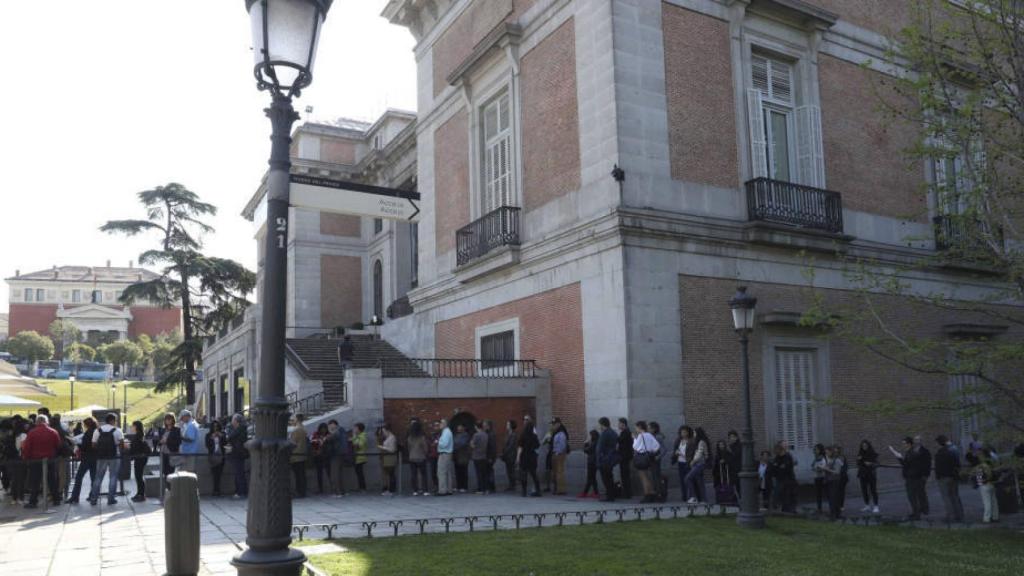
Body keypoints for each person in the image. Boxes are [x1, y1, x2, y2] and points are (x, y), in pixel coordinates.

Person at [21, 414, 62, 509]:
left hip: (35, 460)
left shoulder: (32, 432)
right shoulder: (53, 432)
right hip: (50, 459)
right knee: (52, 480)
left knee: (35, 481)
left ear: (37, 422)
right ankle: (56, 499)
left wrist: (26, 458)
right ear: (47, 421)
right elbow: (58, 445)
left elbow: (27, 447)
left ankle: (33, 501)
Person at [889, 435, 931, 520]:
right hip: (913, 476)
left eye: (904, 443)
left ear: (909, 444)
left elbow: (907, 465)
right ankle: (918, 512)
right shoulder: (911, 452)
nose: (903, 445)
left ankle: (916, 514)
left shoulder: (911, 452)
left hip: (912, 477)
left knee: (912, 496)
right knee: (915, 495)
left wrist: (899, 457)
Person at [89, 413, 124, 506]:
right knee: (113, 477)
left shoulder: (97, 430)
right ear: (112, 420)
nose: (116, 422)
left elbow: (93, 445)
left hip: (101, 457)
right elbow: (122, 445)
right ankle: (111, 499)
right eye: (115, 420)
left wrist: (101, 449)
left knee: (98, 477)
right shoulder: (117, 430)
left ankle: (93, 499)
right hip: (114, 456)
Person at [67, 417, 98, 504]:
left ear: (86, 425)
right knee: (93, 478)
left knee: (79, 477)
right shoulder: (96, 431)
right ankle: (93, 496)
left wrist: (76, 443)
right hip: (95, 457)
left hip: (87, 458)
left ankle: (75, 497)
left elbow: (85, 446)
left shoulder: (88, 433)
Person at [934, 435, 964, 523]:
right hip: (954, 476)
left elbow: (938, 466)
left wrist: (938, 476)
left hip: (944, 476)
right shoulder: (954, 450)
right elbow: (958, 464)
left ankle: (951, 516)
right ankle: (959, 515)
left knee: (946, 497)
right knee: (955, 496)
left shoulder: (941, 452)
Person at [632, 421, 660, 503]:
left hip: (641, 457)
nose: (636, 429)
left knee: (643, 477)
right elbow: (657, 446)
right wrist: (650, 451)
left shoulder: (641, 435)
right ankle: (652, 493)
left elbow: (635, 447)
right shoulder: (649, 435)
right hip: (648, 457)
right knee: (648, 476)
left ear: (639, 427)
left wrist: (634, 438)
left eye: (636, 427)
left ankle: (647, 494)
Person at [596, 417, 620, 502]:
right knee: (609, 477)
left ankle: (610, 495)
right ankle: (611, 494)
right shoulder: (613, 432)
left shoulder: (605, 433)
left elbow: (600, 447)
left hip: (605, 459)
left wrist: (599, 458)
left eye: (599, 424)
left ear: (602, 424)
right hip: (611, 458)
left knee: (606, 478)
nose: (599, 426)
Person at [517, 415, 541, 497]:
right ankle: (538, 490)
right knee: (534, 474)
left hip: (524, 456)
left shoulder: (523, 435)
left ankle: (524, 492)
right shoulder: (534, 436)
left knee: (524, 474)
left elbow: (520, 447)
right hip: (532, 456)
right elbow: (537, 445)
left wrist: (518, 457)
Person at [974, 448, 1000, 523]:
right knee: (994, 501)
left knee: (987, 502)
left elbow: (979, 477)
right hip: (992, 483)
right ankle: (995, 516)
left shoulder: (980, 465)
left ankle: (986, 518)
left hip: (984, 484)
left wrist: (979, 483)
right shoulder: (991, 463)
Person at [684, 427, 710, 504]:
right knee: (700, 482)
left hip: (699, 464)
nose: (694, 434)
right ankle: (704, 500)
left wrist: (693, 461)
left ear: (698, 433)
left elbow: (699, 453)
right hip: (698, 464)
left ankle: (693, 497)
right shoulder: (698, 441)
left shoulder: (701, 442)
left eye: (695, 433)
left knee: (687, 478)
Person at [770, 442, 797, 513]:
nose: (774, 451)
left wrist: (778, 467)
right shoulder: (777, 458)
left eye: (776, 450)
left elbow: (785, 468)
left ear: (780, 449)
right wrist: (777, 467)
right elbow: (774, 468)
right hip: (780, 479)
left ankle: (789, 509)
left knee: (788, 494)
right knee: (778, 494)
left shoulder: (787, 457)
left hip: (788, 479)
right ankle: (782, 508)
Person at [818, 445, 843, 520]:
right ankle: (834, 513)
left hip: (835, 481)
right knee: (831, 498)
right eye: (826, 453)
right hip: (829, 480)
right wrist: (821, 468)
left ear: (831, 452)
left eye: (828, 452)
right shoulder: (829, 460)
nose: (827, 454)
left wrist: (826, 469)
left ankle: (835, 514)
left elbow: (837, 472)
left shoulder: (837, 460)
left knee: (833, 498)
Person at [226, 414, 249, 498]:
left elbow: (231, 436)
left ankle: (241, 492)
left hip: (239, 453)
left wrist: (230, 430)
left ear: (236, 421)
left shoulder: (241, 429)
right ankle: (239, 491)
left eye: (233, 420)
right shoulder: (236, 429)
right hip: (235, 453)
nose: (232, 422)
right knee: (237, 473)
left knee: (239, 473)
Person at [325, 420, 349, 497]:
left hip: (336, 454)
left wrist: (329, 432)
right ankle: (342, 491)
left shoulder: (337, 431)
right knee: (340, 473)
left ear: (333, 424)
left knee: (334, 474)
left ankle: (337, 492)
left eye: (330, 425)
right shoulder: (342, 430)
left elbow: (329, 438)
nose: (329, 427)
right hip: (342, 454)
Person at [128, 420, 150, 502]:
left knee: (139, 476)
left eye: (133, 426)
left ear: (136, 427)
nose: (132, 427)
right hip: (140, 458)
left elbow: (136, 447)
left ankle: (141, 494)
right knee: (138, 477)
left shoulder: (139, 435)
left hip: (140, 458)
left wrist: (129, 447)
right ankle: (139, 493)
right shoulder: (139, 435)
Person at [856, 440, 880, 513]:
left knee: (873, 490)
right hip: (862, 474)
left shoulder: (872, 453)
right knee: (864, 490)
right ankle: (867, 505)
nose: (864, 447)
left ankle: (876, 506)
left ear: (868, 446)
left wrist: (871, 463)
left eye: (865, 445)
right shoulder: (860, 453)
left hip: (871, 474)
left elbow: (877, 463)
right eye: (863, 446)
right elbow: (858, 463)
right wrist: (859, 460)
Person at [406, 420, 429, 495]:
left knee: (413, 474)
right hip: (421, 457)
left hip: (412, 457)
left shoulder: (409, 438)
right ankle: (425, 490)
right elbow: (425, 448)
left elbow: (408, 448)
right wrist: (425, 453)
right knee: (423, 474)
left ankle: (415, 490)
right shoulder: (422, 438)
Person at [289, 414, 309, 498]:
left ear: (297, 419)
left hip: (296, 455)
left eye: (293, 419)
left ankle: (299, 491)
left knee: (298, 475)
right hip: (302, 454)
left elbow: (292, 443)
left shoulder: (296, 430)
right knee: (301, 474)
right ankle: (302, 491)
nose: (291, 421)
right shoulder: (304, 428)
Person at [712, 440, 737, 505]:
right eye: (720, 445)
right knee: (720, 490)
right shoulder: (717, 455)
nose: (721, 446)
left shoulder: (728, 453)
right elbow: (715, 466)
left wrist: (725, 461)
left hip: (727, 474)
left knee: (729, 489)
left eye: (722, 445)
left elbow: (732, 462)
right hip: (719, 476)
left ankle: (730, 502)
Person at [205, 420, 226, 497]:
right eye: (214, 426)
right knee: (214, 473)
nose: (215, 428)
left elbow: (226, 442)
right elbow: (207, 445)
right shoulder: (208, 435)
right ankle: (215, 490)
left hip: (221, 455)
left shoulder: (222, 434)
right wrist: (211, 438)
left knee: (219, 473)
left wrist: (221, 436)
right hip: (212, 455)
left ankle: (218, 490)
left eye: (217, 426)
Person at [671, 425, 692, 502]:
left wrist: (681, 454)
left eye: (685, 432)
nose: (683, 434)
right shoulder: (678, 440)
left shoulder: (691, 441)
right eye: (682, 432)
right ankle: (684, 496)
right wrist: (675, 454)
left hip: (688, 463)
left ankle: (690, 496)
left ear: (688, 432)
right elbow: (675, 450)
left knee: (688, 479)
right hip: (680, 463)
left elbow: (690, 455)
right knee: (682, 480)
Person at [310, 423, 331, 495]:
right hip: (318, 456)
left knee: (329, 472)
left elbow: (330, 444)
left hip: (326, 456)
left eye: (325, 429)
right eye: (322, 429)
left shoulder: (328, 435)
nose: (323, 430)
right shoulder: (315, 434)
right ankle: (320, 488)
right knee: (319, 473)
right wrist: (317, 441)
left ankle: (332, 487)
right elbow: (311, 441)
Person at [378, 422, 398, 496]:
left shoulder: (392, 438)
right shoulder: (388, 438)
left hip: (390, 457)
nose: (383, 433)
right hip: (386, 457)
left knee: (390, 474)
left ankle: (391, 489)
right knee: (388, 474)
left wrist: (383, 447)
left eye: (384, 431)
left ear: (388, 430)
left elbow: (392, 449)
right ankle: (388, 489)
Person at [470, 421, 491, 494]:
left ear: (476, 427)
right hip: (484, 456)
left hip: (477, 456)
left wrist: (471, 443)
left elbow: (472, 445)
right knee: (484, 473)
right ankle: (486, 488)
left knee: (479, 473)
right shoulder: (486, 434)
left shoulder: (476, 435)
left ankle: (480, 489)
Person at [579, 429, 600, 498]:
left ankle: (585, 492)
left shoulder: (594, 443)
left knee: (590, 478)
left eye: (590, 435)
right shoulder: (597, 442)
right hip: (594, 461)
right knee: (593, 478)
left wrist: (586, 444)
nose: (589, 437)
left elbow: (587, 450)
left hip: (592, 462)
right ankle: (596, 492)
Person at [159, 413, 181, 477]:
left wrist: (167, 441)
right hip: (163, 453)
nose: (168, 421)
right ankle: (167, 483)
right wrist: (160, 442)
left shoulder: (177, 430)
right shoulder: (162, 430)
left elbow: (178, 441)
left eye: (169, 419)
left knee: (171, 472)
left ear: (173, 420)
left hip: (172, 453)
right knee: (164, 472)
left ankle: (170, 483)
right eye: (166, 419)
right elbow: (159, 441)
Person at [436, 418, 454, 496]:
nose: (440, 424)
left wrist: (438, 442)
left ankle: (442, 490)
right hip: (448, 454)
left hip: (444, 453)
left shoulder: (446, 432)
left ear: (445, 424)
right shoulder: (447, 431)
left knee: (441, 472)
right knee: (447, 472)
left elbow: (444, 444)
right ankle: (449, 489)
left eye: (441, 423)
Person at [550, 419, 569, 495]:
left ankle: (561, 490)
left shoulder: (561, 433)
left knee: (559, 472)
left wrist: (557, 453)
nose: (552, 426)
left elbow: (562, 445)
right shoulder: (555, 433)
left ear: (558, 424)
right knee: (555, 472)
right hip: (555, 453)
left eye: (554, 424)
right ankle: (556, 488)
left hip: (559, 454)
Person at [616, 418, 633, 499]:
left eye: (619, 423)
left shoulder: (626, 432)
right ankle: (626, 492)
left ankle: (627, 493)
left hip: (625, 457)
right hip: (624, 456)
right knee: (624, 475)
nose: (618, 425)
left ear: (623, 424)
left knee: (625, 475)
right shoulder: (624, 432)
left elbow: (621, 441)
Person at [453, 424, 471, 493]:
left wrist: (455, 445)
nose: (458, 428)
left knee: (464, 472)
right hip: (456, 456)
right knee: (457, 472)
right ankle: (459, 486)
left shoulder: (466, 435)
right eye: (458, 427)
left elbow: (462, 444)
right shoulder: (456, 435)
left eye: (460, 427)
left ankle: (464, 487)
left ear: (464, 428)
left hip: (463, 456)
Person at [649, 421, 665, 499]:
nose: (648, 430)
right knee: (653, 476)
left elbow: (664, 449)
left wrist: (658, 457)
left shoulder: (658, 437)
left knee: (656, 476)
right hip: (651, 458)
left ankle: (659, 493)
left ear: (654, 429)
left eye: (650, 428)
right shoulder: (651, 436)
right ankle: (656, 492)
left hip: (656, 459)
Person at [501, 420, 518, 491]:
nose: (506, 426)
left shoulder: (513, 435)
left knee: (511, 470)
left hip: (511, 455)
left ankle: (513, 485)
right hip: (507, 455)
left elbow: (511, 445)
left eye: (508, 424)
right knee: (509, 470)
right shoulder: (508, 434)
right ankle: (511, 484)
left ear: (511, 426)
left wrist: (504, 452)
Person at [352, 422, 368, 492]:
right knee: (358, 473)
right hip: (357, 457)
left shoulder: (362, 436)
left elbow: (359, 445)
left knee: (360, 473)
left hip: (360, 457)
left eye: (355, 428)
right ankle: (360, 487)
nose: (354, 429)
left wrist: (354, 438)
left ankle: (363, 488)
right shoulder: (357, 436)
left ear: (359, 429)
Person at [726, 430, 742, 498]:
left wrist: (730, 451)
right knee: (736, 487)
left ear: (737, 437)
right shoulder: (730, 446)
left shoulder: (740, 445)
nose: (732, 438)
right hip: (732, 470)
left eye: (733, 437)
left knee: (740, 487)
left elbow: (737, 455)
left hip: (739, 469)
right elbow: (727, 458)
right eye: (730, 437)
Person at [812, 443, 827, 513]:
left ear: (820, 450)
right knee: (818, 494)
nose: (815, 451)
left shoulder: (822, 458)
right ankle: (819, 508)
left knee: (824, 493)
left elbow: (822, 468)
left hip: (822, 477)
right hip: (817, 477)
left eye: (816, 449)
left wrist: (817, 468)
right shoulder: (816, 458)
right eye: (815, 449)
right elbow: (813, 466)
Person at [484, 420, 498, 493]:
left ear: (488, 426)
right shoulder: (488, 433)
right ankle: (490, 487)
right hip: (488, 456)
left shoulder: (491, 434)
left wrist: (491, 457)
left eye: (485, 425)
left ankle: (491, 487)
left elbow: (492, 447)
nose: (483, 426)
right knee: (489, 471)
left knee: (489, 471)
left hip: (489, 456)